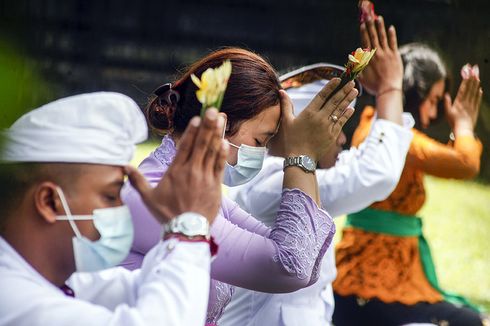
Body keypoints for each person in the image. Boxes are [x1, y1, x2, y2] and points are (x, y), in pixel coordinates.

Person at [120, 47, 358, 325]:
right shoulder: (156, 194)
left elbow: (307, 258)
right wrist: (302, 156)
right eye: (260, 142)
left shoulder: (199, 192)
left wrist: (308, 152)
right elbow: (288, 267)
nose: (262, 154)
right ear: (220, 122)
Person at [219, 16, 414, 326]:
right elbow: (375, 174)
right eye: (333, 125)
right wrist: (390, 90)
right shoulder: (268, 183)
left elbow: (358, 167)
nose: (342, 138)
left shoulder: (294, 175)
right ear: (295, 127)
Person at [0, 92, 229, 326]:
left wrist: (174, 220)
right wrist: (190, 228)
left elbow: (143, 289)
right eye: (110, 196)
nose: (123, 208)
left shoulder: (59, 279)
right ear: (49, 201)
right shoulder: (13, 299)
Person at [332, 21, 487, 326]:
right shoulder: (399, 140)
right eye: (433, 101)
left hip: (375, 282)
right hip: (371, 288)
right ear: (413, 93)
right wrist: (464, 126)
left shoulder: (373, 126)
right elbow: (466, 163)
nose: (432, 114)